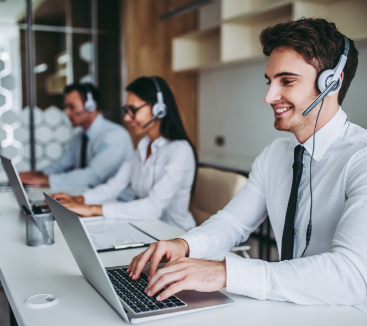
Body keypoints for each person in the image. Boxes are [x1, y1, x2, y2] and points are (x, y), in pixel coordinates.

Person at [126, 18, 367, 312]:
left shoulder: (361, 160)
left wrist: (225, 272)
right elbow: (232, 224)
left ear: (331, 83)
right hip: (286, 307)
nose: (269, 96)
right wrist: (184, 245)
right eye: (270, 81)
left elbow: (352, 275)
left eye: (287, 81)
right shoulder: (275, 154)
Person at [52, 76, 197, 231]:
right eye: (126, 111)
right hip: (147, 228)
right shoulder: (142, 148)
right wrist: (79, 199)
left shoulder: (180, 151)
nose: (127, 118)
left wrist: (92, 209)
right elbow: (113, 187)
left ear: (158, 109)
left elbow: (153, 208)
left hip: (175, 234)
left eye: (133, 110)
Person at [19, 83, 133, 190]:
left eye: (71, 107)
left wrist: (46, 180)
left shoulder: (116, 136)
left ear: (90, 106)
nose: (67, 112)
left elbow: (92, 176)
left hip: (117, 203)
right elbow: (59, 165)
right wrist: (37, 175)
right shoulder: (79, 137)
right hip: (87, 198)